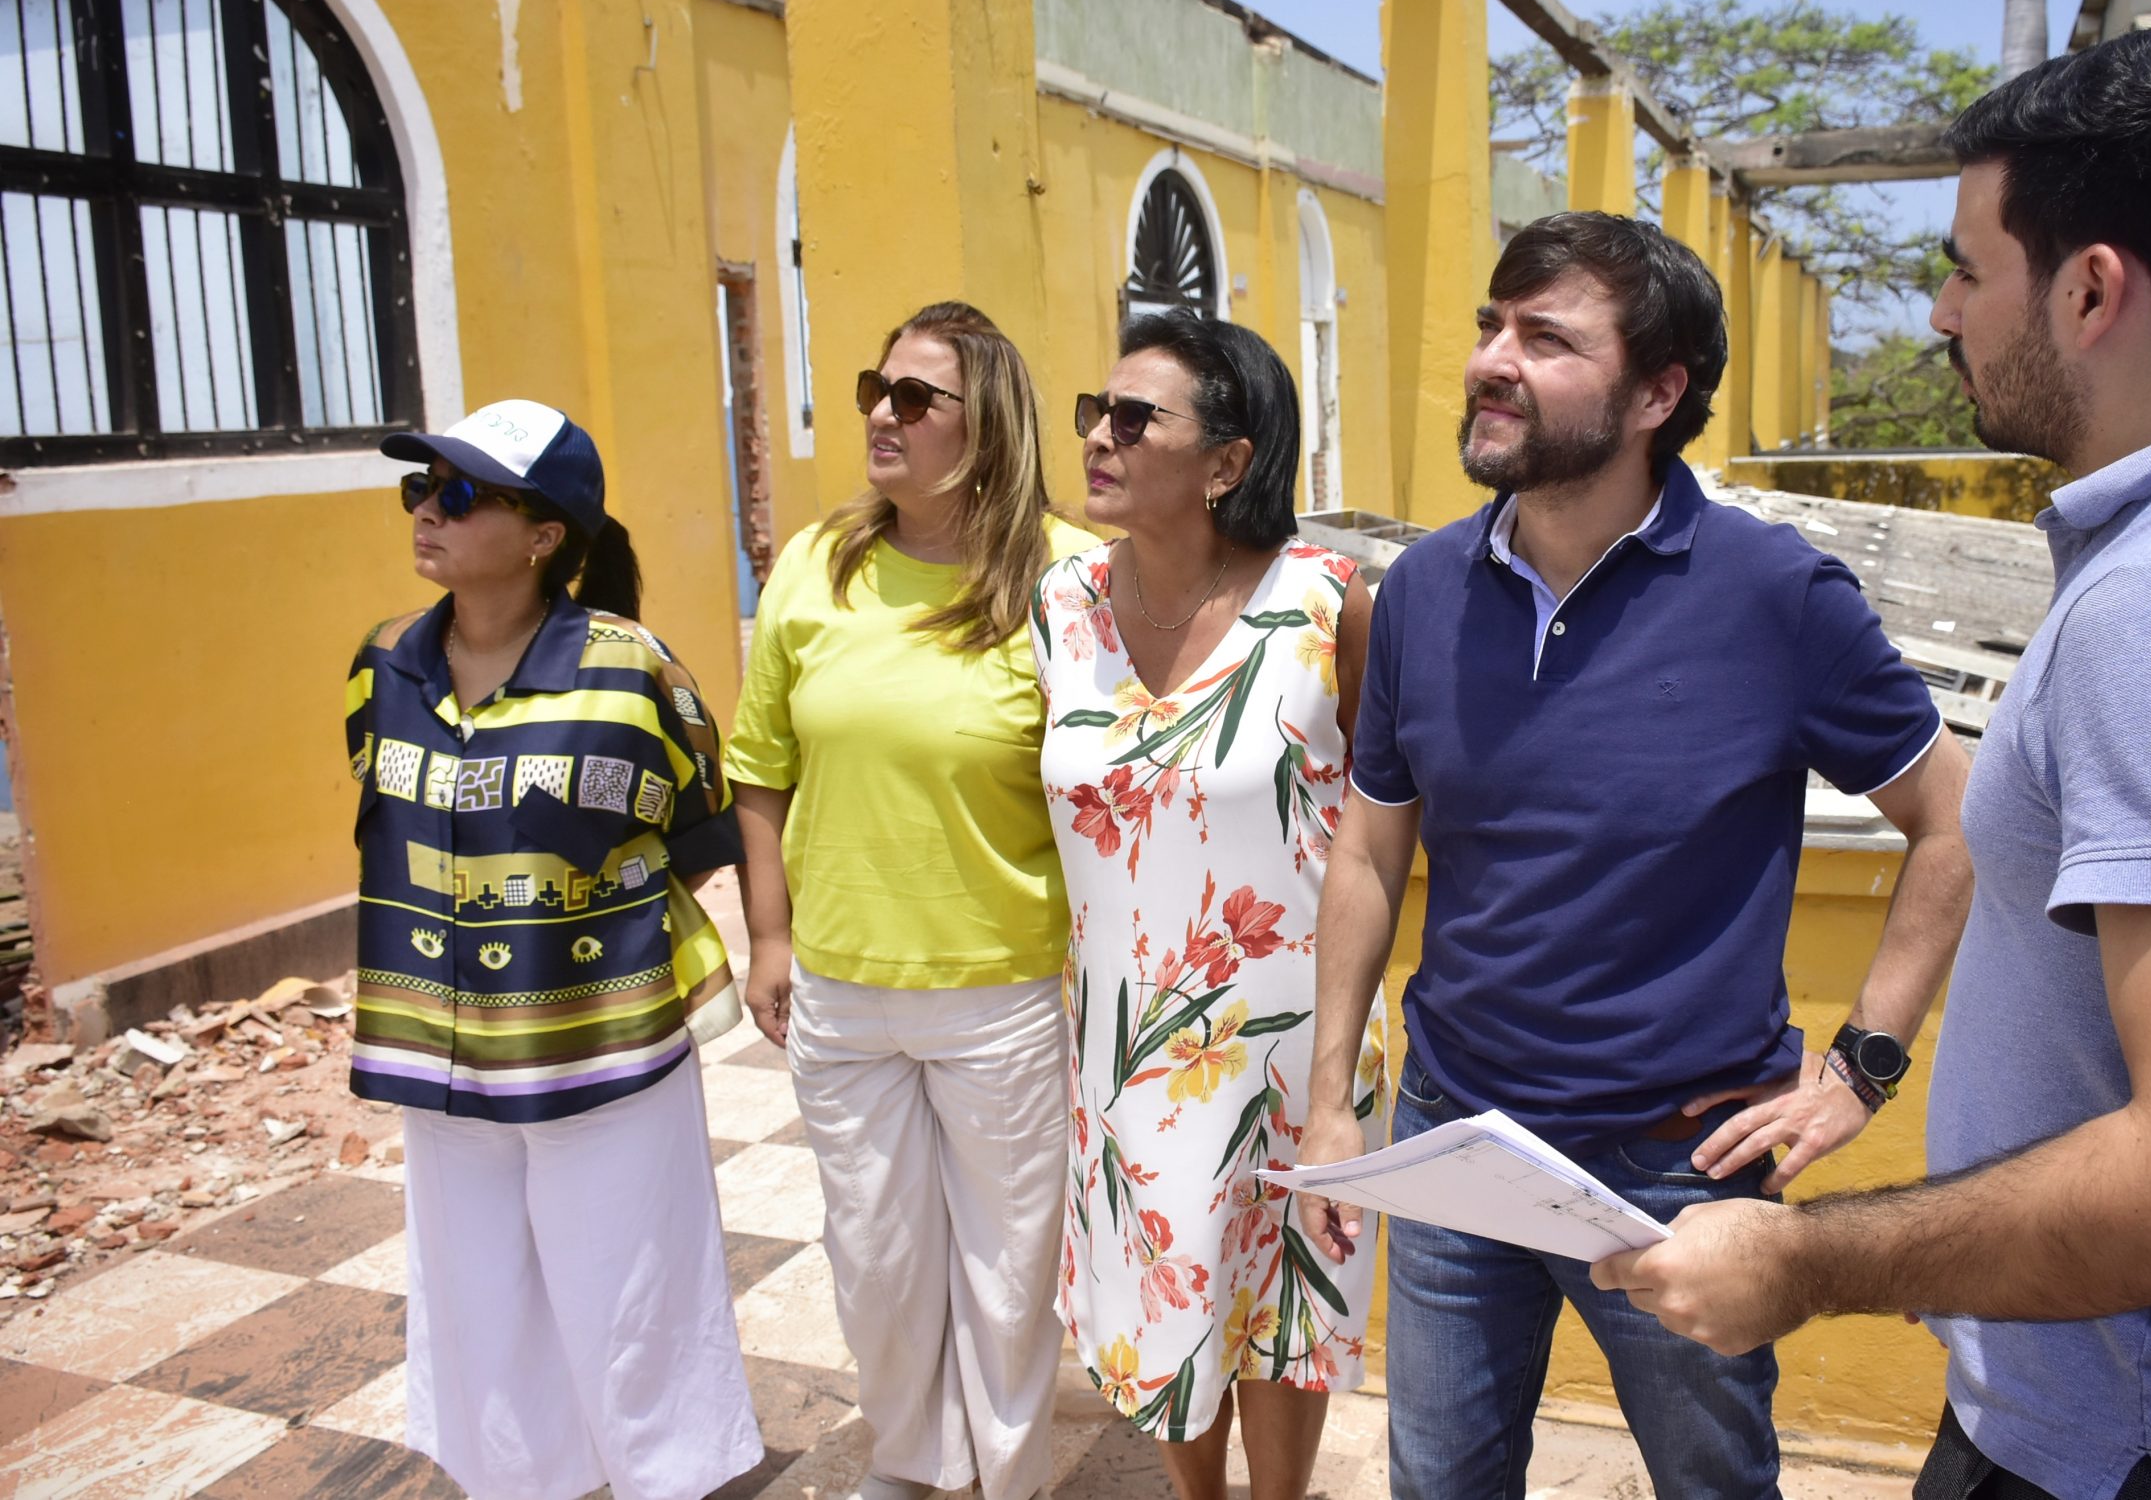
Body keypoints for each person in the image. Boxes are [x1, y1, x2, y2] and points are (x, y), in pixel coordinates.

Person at [1593, 25, 2151, 1500]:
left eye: (1970, 268)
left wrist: (1805, 1261)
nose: (1941, 312)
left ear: (2093, 288)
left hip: (2149, 1443)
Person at [1293, 212, 1975, 1498]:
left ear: (1658, 392)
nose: (1493, 358)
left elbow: (1957, 818)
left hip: (1683, 1162)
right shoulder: (1420, 591)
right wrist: (1336, 1099)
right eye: (1492, 325)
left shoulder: (1776, 598)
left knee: (1713, 1485)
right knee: (1439, 1480)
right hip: (1456, 1136)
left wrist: (1861, 1067)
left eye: (1546, 337)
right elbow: (1371, 850)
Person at [347, 399, 761, 1500]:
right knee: (479, 1304)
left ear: (543, 536)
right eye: (421, 487)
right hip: (437, 1055)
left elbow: (700, 829)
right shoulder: (382, 666)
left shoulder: (634, 673)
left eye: (463, 492)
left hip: (602, 1048)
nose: (430, 510)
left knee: (635, 1298)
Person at [726, 302, 1095, 1500]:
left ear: (983, 424)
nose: (882, 413)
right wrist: (769, 933)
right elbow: (761, 761)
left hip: (1001, 989)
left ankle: (1010, 1473)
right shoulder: (814, 562)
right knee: (876, 1260)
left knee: (1005, 1268)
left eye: (915, 397)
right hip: (840, 986)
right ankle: (911, 1463)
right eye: (873, 388)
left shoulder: (1071, 579)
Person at [1033, 310, 1387, 1499]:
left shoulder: (1328, 604)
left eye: (1137, 418)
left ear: (1229, 462)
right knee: (1165, 1312)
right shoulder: (1062, 602)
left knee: (1282, 1318)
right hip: (1124, 1045)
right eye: (1097, 409)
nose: (1100, 434)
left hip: (1293, 1044)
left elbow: (1391, 821)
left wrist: (1340, 1074)